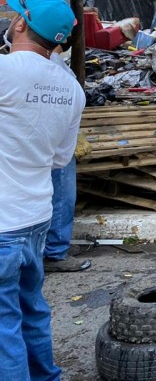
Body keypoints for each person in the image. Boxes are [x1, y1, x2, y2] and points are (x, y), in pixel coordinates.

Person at [0, 0, 84, 380]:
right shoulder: (72, 91)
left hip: (3, 225)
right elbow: (59, 161)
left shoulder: (6, 71)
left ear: (20, 24)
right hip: (36, 219)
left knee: (4, 327)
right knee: (31, 308)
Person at [43, 45, 91, 273]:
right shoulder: (49, 64)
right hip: (56, 142)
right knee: (62, 194)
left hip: (48, 141)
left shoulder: (20, 62)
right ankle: (54, 253)